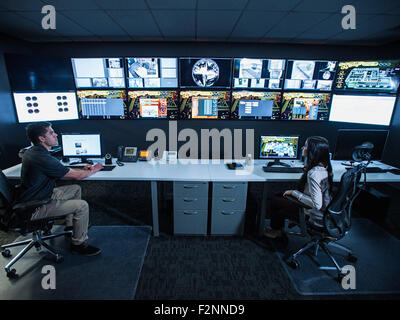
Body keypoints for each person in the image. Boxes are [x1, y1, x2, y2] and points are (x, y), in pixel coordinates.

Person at [18, 122, 104, 256]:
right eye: (51, 133)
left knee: (75, 189)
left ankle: (70, 228)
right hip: (35, 207)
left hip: (38, 196)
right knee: (82, 206)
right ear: (42, 138)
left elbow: (65, 171)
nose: (56, 134)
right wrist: (95, 169)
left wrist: (82, 169)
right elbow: (77, 176)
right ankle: (79, 244)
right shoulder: (41, 157)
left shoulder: (35, 152)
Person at [264, 136, 333, 239]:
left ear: (312, 151)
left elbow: (316, 204)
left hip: (313, 214)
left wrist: (294, 193)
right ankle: (278, 229)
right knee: (279, 197)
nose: (302, 148)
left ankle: (277, 231)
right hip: (327, 211)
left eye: (305, 146)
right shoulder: (325, 167)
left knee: (275, 200)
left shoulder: (314, 173)